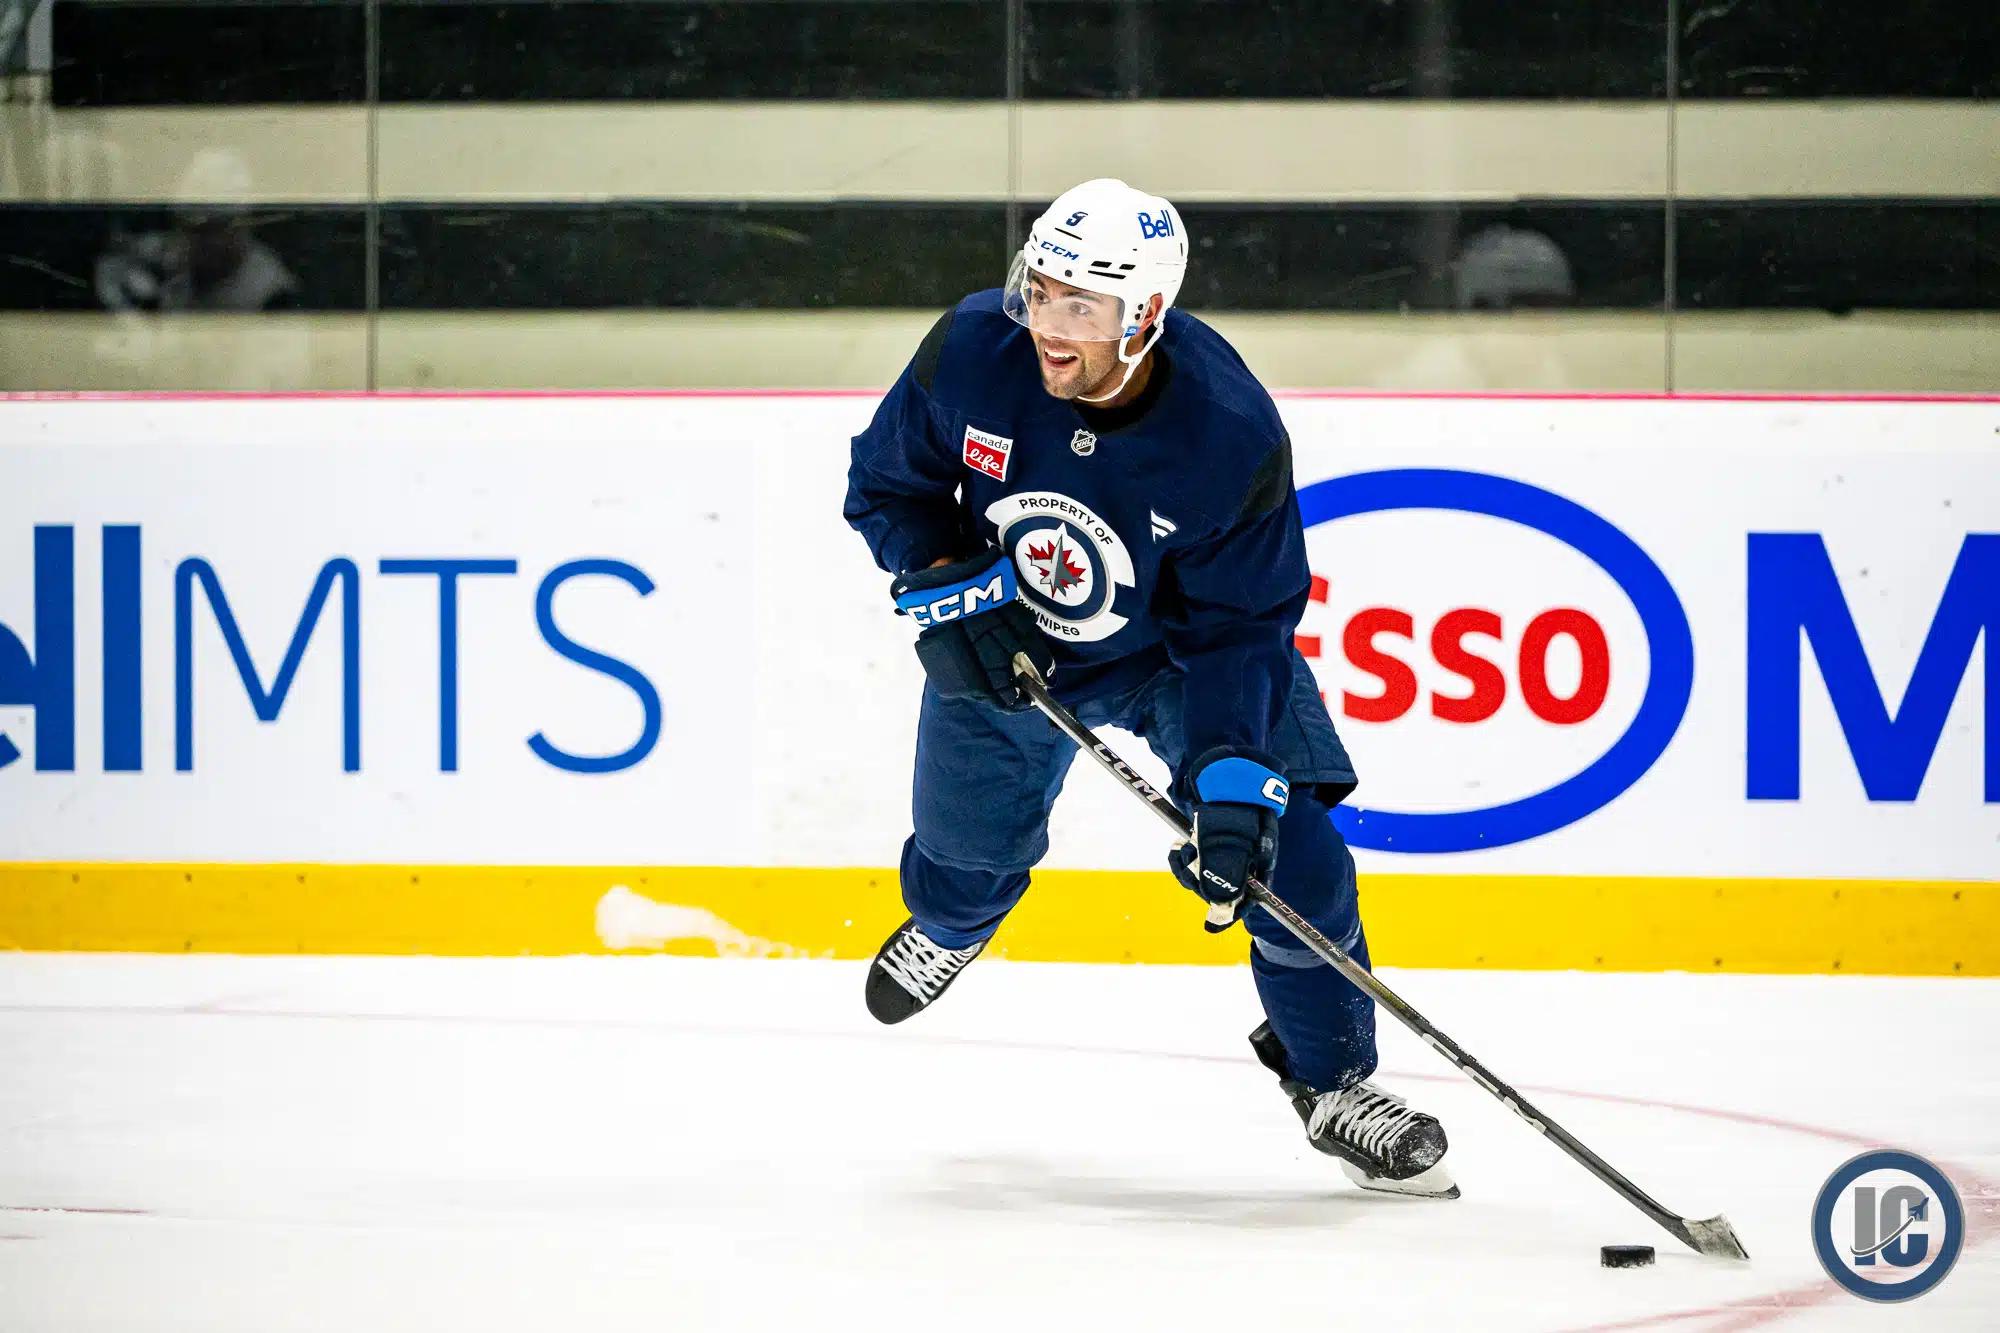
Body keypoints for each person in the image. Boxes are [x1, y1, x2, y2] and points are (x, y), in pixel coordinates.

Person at [843, 179, 1456, 1198]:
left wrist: (1230, 782)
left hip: (1176, 656)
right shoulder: (973, 350)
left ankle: (1333, 1083)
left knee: (1291, 857)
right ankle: (952, 925)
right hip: (1011, 644)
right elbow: (887, 487)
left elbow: (1238, 631)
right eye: (1040, 291)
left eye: (1082, 307)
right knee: (963, 858)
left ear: (1147, 316)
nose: (1049, 325)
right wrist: (950, 585)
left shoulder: (1227, 432)